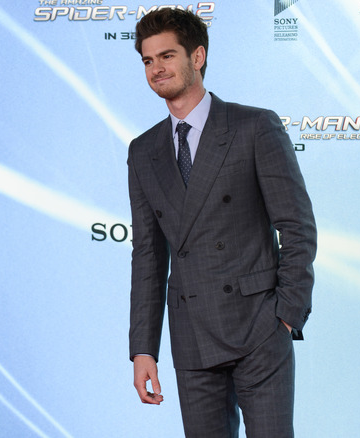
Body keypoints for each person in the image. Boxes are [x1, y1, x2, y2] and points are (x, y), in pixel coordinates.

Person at [127, 8, 316, 437]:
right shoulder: (143, 151)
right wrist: (143, 349)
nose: (157, 68)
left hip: (259, 331)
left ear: (197, 57)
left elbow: (298, 226)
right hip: (192, 336)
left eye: (167, 56)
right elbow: (148, 257)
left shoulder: (254, 126)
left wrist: (285, 316)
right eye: (148, 60)